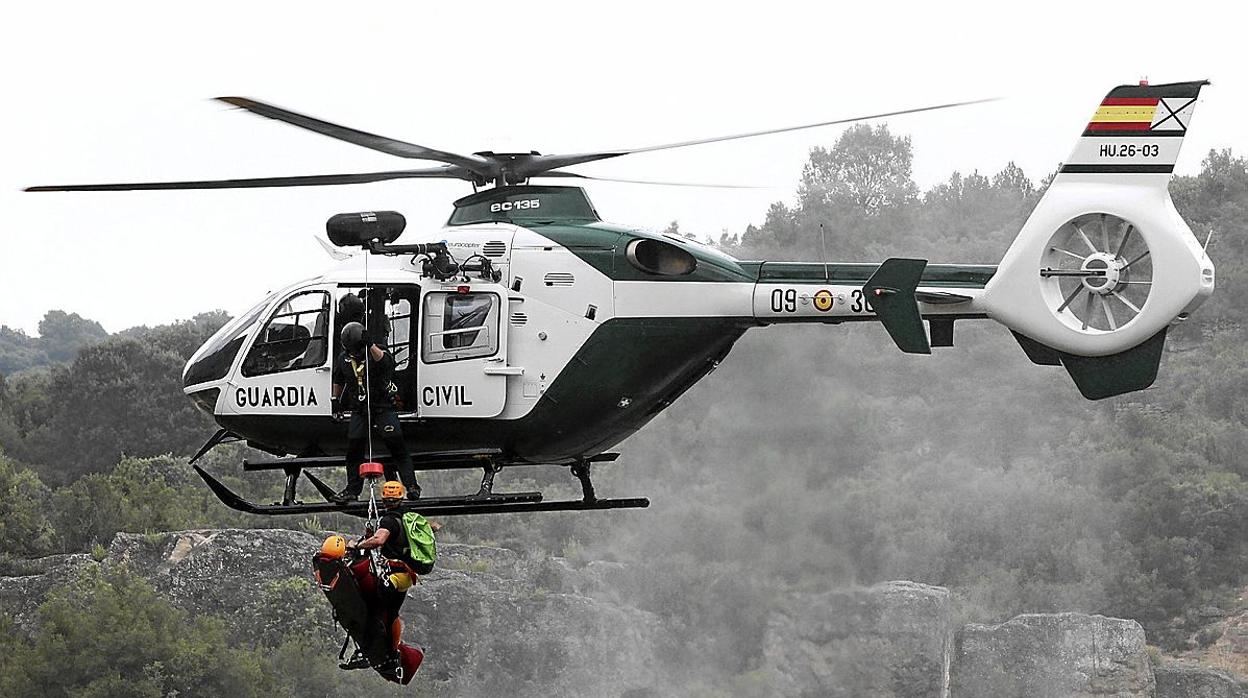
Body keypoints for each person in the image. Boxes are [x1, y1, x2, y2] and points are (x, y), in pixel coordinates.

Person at [331, 321, 420, 502]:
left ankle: (411, 485)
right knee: (354, 451)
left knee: (397, 447)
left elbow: (386, 363)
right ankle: (352, 490)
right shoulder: (344, 358)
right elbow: (338, 379)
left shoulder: (377, 352)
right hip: (359, 409)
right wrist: (335, 400)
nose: (353, 353)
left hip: (383, 407)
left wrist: (369, 344)